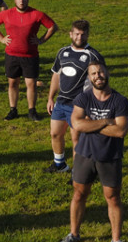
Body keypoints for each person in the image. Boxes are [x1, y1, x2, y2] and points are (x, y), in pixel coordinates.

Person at [59, 62, 128, 242]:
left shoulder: (119, 101)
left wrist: (91, 123)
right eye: (93, 73)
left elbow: (121, 130)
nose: (98, 76)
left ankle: (116, 240)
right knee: (79, 194)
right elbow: (77, 124)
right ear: (89, 78)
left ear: (107, 73)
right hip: (85, 154)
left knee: (113, 198)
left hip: (110, 156)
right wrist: (106, 121)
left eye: (100, 72)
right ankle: (74, 234)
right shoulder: (83, 98)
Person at [0, 0, 58, 121]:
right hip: (11, 55)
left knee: (31, 84)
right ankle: (13, 110)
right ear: (15, 0)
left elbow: (53, 26)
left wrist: (41, 40)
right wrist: (1, 38)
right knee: (13, 83)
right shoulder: (7, 14)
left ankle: (32, 111)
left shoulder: (37, 14)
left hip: (30, 56)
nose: (22, 1)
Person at [45, 19, 105, 173]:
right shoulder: (62, 52)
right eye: (77, 34)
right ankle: (60, 165)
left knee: (76, 140)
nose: (80, 37)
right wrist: (51, 97)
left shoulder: (93, 56)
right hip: (61, 102)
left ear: (87, 36)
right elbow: (56, 76)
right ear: (71, 34)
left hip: (79, 106)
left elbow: (100, 82)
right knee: (55, 133)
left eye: (83, 35)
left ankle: (77, 173)